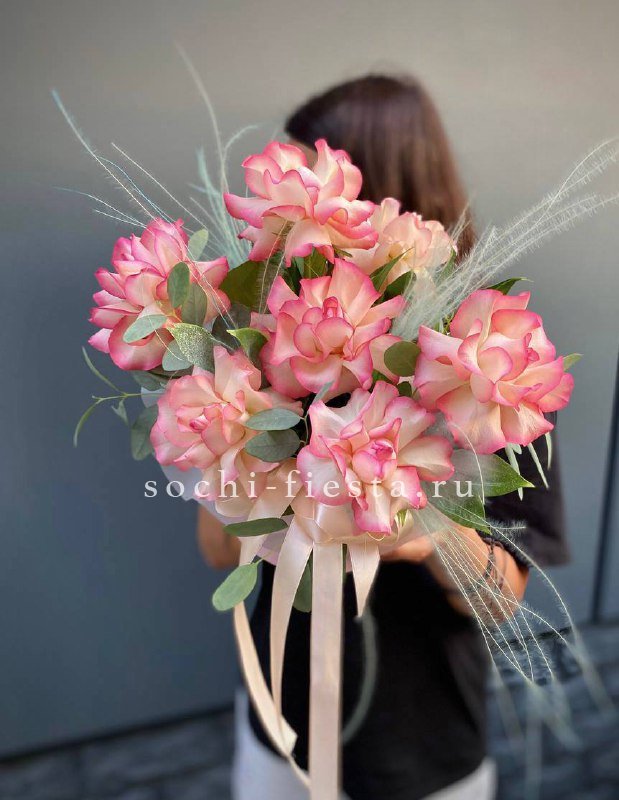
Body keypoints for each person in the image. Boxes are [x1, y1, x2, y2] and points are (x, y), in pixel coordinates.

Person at [197, 74, 570, 800]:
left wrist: (431, 534)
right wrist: (243, 445)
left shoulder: (498, 358)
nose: (277, 204)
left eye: (306, 177)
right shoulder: (262, 340)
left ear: (371, 189)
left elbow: (504, 601)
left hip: (422, 741)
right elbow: (216, 550)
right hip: (280, 719)